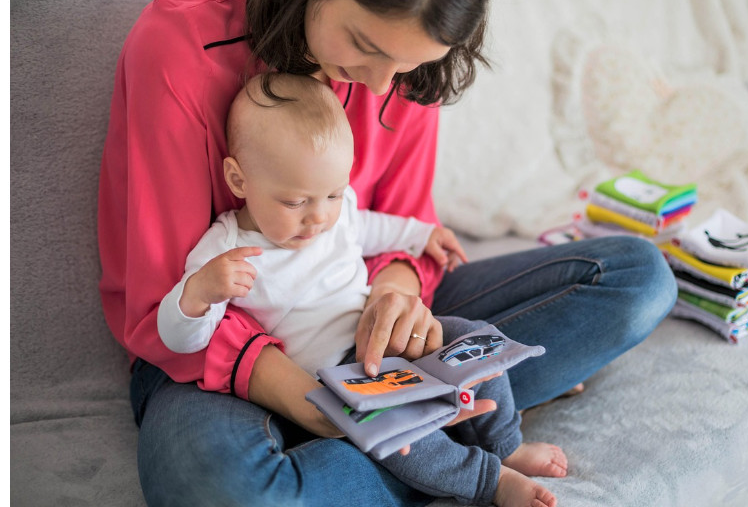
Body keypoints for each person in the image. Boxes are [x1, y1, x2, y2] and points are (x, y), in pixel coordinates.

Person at [97, 0, 678, 505]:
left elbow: (401, 227)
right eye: (366, 46)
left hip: (364, 329)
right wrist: (308, 398)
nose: (382, 85)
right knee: (224, 492)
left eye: (407, 64)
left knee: (639, 279)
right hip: (210, 355)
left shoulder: (404, 65)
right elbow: (167, 303)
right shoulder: (178, 45)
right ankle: (439, 444)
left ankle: (412, 435)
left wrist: (394, 298)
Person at [155, 72, 567, 506]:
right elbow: (180, 340)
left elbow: (369, 227)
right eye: (295, 202)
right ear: (239, 181)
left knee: (474, 337)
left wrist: (420, 234)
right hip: (339, 375)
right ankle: (488, 481)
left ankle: (506, 444)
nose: (318, 218)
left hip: (383, 333)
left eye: (332, 195)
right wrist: (199, 293)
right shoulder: (226, 247)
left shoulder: (335, 210)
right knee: (399, 433)